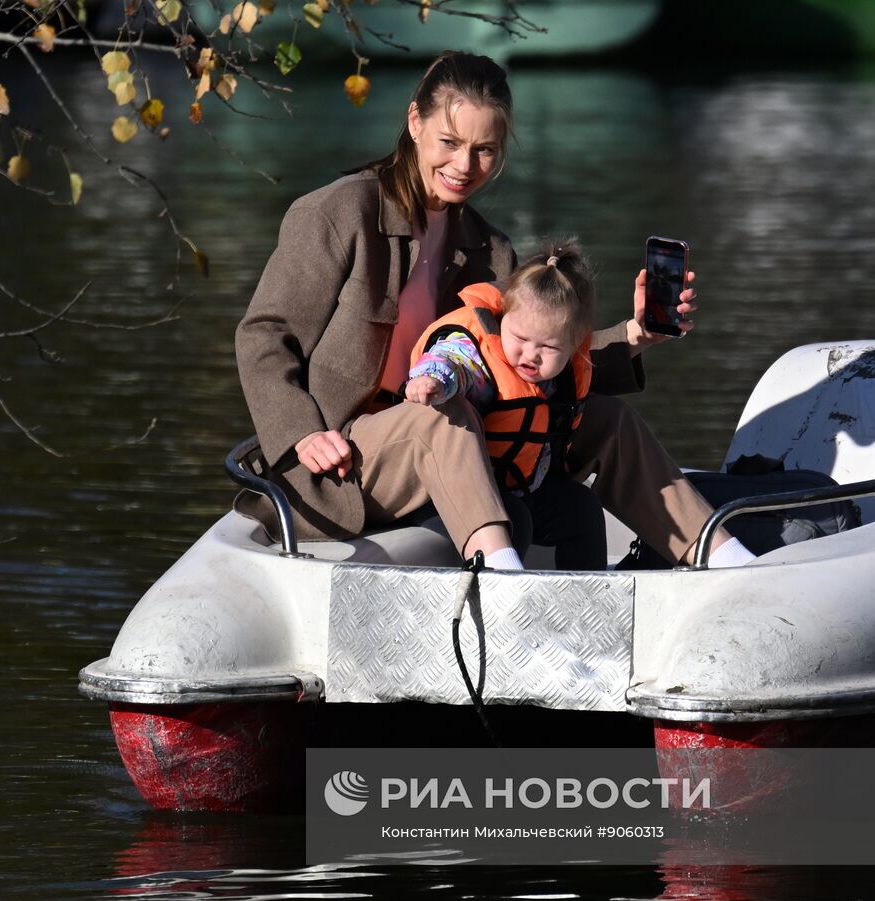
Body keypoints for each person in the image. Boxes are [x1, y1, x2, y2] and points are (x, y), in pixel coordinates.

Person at [234, 50, 753, 571]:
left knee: (609, 419)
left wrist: (636, 335)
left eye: (484, 150)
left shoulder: (491, 249)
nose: (464, 166)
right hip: (343, 462)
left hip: (462, 446)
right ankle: (507, 580)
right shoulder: (338, 213)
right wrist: (302, 433)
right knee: (445, 414)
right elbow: (264, 334)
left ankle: (726, 561)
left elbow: (527, 357)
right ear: (414, 122)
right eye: (450, 142)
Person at [403, 240, 609, 570]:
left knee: (580, 506)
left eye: (548, 347)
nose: (530, 355)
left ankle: (589, 590)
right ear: (503, 319)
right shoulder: (483, 356)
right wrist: (433, 380)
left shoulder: (563, 375)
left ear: (573, 345)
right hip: (449, 497)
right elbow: (455, 360)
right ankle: (503, 596)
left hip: (517, 488)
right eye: (521, 338)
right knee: (515, 519)